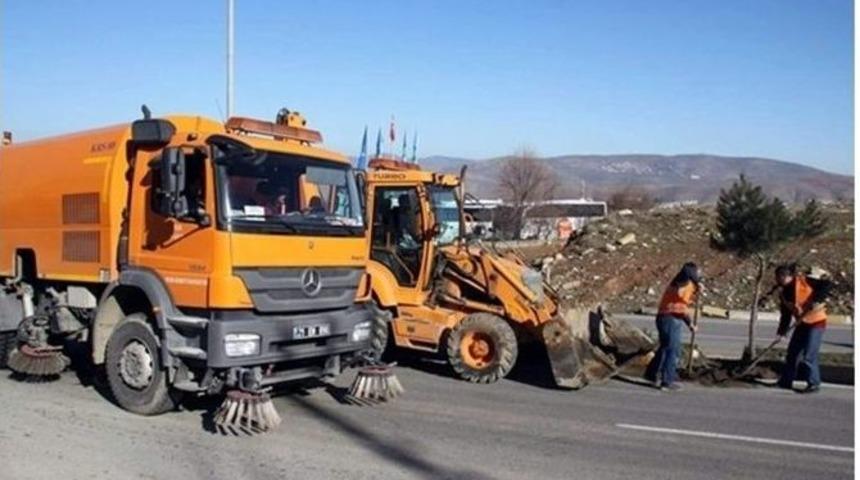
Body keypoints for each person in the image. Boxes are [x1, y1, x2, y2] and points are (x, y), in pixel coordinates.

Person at [774, 265, 831, 394]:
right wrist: (782, 332)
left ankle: (814, 383)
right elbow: (786, 314)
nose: (777, 280)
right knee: (792, 353)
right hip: (802, 323)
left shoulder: (805, 281)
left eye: (779, 277)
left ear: (786, 276)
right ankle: (786, 381)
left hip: (816, 321)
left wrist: (817, 300)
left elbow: (826, 284)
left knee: (809, 354)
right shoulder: (784, 293)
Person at [645, 262, 701, 391]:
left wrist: (690, 324)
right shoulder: (682, 282)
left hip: (668, 317)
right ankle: (667, 381)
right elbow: (680, 306)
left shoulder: (685, 284)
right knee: (672, 349)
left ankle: (651, 374)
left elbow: (682, 306)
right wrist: (697, 283)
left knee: (665, 347)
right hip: (669, 318)